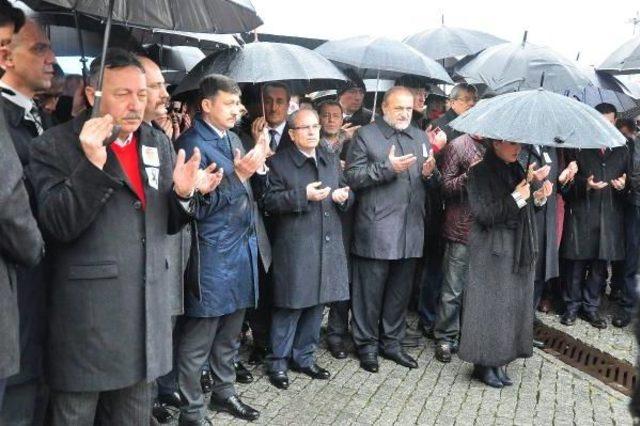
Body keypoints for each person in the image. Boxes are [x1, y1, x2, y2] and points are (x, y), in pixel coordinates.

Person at [28, 48, 214, 425]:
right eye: (122, 93)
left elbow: (163, 225)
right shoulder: (54, 145)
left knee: (133, 418)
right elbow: (57, 225)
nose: (135, 104)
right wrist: (91, 164)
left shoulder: (156, 141)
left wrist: (181, 195)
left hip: (146, 317)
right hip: (88, 323)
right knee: (74, 416)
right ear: (94, 95)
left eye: (141, 94)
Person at [174, 74, 267, 424]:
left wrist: (260, 157)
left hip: (241, 251)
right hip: (210, 255)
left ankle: (224, 393)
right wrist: (238, 177)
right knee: (198, 340)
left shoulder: (233, 139)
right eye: (229, 103)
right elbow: (193, 209)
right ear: (207, 105)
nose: (237, 109)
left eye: (238, 102)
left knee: (230, 335)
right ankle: (191, 409)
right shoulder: (190, 144)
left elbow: (253, 192)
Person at [345, 86, 438, 373]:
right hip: (377, 229)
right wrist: (387, 167)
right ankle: (367, 345)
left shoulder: (420, 137)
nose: (404, 114)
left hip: (411, 229)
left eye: (409, 109)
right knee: (369, 294)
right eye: (399, 108)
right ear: (384, 107)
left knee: (399, 293)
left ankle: (392, 343)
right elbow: (352, 176)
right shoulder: (366, 135)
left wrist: (429, 174)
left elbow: (432, 185)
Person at [263, 108, 353, 389]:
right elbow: (268, 202)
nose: (314, 131)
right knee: (290, 305)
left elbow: (346, 193)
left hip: (326, 242)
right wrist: (302, 196)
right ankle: (278, 362)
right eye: (306, 128)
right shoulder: (278, 163)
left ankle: (304, 357)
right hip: (296, 245)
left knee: (317, 303)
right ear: (292, 134)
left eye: (315, 126)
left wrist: (343, 197)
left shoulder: (328, 159)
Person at [459, 140, 553, 388]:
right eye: (512, 144)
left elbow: (524, 208)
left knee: (509, 305)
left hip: (516, 245)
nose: (518, 148)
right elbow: (484, 214)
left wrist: (539, 198)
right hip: (491, 247)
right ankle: (483, 363)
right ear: (497, 142)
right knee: (489, 305)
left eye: (519, 144)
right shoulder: (479, 172)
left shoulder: (517, 168)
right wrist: (516, 198)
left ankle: (499, 359)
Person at [0, 16, 54, 425]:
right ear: (6, 54)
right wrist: (35, 245)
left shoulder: (40, 118)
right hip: (15, 295)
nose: (51, 58)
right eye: (38, 48)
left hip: (41, 300)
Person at [560, 103, 629, 329]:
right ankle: (571, 307)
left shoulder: (623, 148)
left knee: (600, 267)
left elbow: (632, 184)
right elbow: (565, 187)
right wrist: (585, 185)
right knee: (576, 266)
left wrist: (623, 187)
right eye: (599, 121)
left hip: (609, 215)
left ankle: (591, 308)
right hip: (582, 212)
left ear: (615, 122)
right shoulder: (578, 147)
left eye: (608, 122)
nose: (604, 127)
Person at [432, 133, 486, 363]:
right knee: (452, 288)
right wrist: (469, 175)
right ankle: (445, 337)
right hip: (461, 227)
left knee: (478, 289)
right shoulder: (459, 145)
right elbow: (444, 186)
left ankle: (470, 334)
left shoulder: (497, 145)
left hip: (486, 228)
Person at [318, 100, 358, 358]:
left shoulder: (352, 143)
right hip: (317, 216)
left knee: (342, 275)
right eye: (326, 116)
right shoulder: (311, 141)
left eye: (336, 115)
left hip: (344, 216)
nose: (331, 120)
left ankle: (336, 332)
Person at [614, 117, 640, 327]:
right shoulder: (631, 144)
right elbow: (628, 173)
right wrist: (626, 183)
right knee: (632, 259)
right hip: (635, 206)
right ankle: (628, 306)